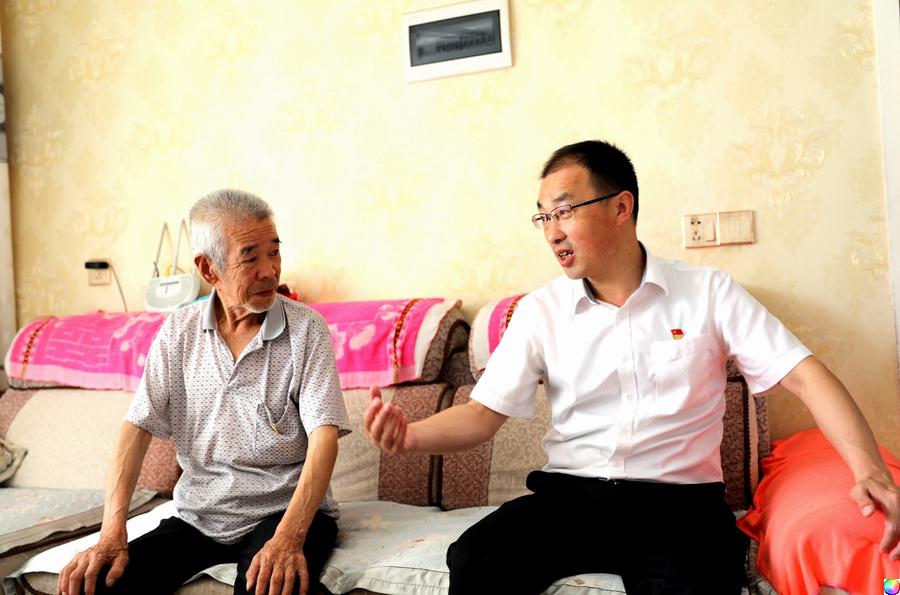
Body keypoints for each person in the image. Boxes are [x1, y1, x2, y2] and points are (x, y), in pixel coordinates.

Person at [364, 140, 900, 595]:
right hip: (571, 499)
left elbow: (805, 375)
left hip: (680, 509)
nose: (552, 232)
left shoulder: (708, 294)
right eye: (543, 217)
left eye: (565, 211)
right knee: (476, 558)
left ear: (622, 207)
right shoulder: (540, 310)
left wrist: (869, 471)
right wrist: (412, 436)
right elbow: (482, 414)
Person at [59, 189, 350, 595]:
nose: (269, 271)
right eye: (250, 258)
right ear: (208, 269)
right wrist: (111, 533)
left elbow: (324, 438)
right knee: (97, 585)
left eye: (274, 252)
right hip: (200, 517)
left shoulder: (307, 330)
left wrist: (288, 538)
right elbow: (136, 428)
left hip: (284, 512)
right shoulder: (179, 331)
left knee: (266, 587)